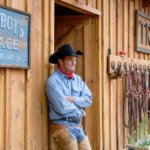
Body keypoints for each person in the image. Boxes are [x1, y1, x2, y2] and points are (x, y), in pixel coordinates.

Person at [45, 44, 92, 150]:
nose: (74, 63)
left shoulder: (78, 80)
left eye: (75, 60)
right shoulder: (53, 81)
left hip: (78, 127)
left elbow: (89, 100)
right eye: (70, 59)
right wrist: (79, 107)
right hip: (63, 126)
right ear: (61, 61)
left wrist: (72, 99)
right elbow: (62, 108)